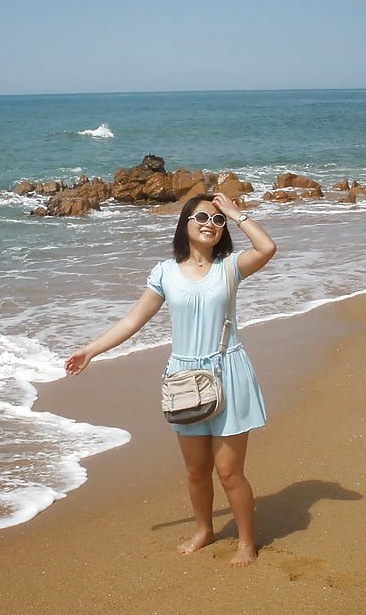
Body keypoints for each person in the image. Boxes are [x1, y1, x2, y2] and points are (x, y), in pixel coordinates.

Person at [65, 191, 277, 568]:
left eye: (216, 220)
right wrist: (91, 350)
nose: (210, 224)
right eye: (201, 218)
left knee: (229, 472)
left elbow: (267, 247)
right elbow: (133, 319)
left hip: (228, 372)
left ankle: (246, 541)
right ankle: (204, 530)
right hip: (184, 379)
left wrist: (235, 213)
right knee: (196, 470)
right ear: (185, 224)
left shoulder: (230, 267)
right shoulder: (164, 272)